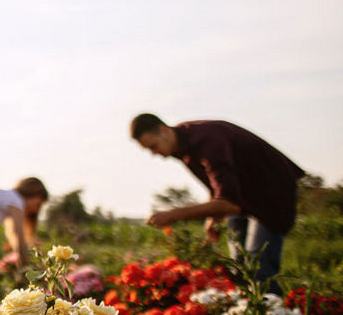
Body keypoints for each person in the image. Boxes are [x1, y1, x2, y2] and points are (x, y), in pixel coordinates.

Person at [129, 113, 304, 288]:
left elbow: (227, 202)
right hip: (242, 197)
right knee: (239, 269)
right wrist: (213, 217)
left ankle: (272, 311)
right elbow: (218, 185)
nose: (153, 153)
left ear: (163, 130)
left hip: (271, 195)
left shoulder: (206, 140)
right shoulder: (182, 146)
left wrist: (173, 214)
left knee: (259, 269)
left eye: (153, 146)